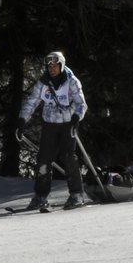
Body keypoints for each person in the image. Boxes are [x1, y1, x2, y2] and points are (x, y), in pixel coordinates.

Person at [17, 50, 89, 210]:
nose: (52, 69)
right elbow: (32, 102)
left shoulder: (71, 81)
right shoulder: (43, 83)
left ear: (61, 65)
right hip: (50, 123)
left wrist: (77, 117)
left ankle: (76, 195)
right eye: (49, 66)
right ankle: (40, 196)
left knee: (68, 157)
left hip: (68, 124)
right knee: (44, 160)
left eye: (55, 66)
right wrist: (22, 120)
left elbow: (81, 103)